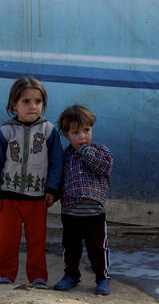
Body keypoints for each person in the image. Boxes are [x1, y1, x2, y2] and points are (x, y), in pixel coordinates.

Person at [0, 76, 63, 289]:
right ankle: (6, 275)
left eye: (37, 101)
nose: (32, 106)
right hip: (9, 197)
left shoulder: (48, 131)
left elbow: (57, 162)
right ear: (14, 104)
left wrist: (53, 189)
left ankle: (38, 277)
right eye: (26, 102)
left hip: (37, 198)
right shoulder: (6, 131)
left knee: (37, 240)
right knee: (8, 240)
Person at [53, 105, 113, 295]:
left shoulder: (100, 150)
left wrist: (85, 151)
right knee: (71, 248)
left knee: (98, 249)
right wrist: (51, 195)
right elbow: (59, 179)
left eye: (86, 130)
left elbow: (103, 166)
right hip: (70, 213)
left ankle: (102, 278)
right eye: (75, 132)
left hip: (94, 213)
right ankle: (71, 275)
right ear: (66, 134)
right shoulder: (65, 156)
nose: (82, 136)